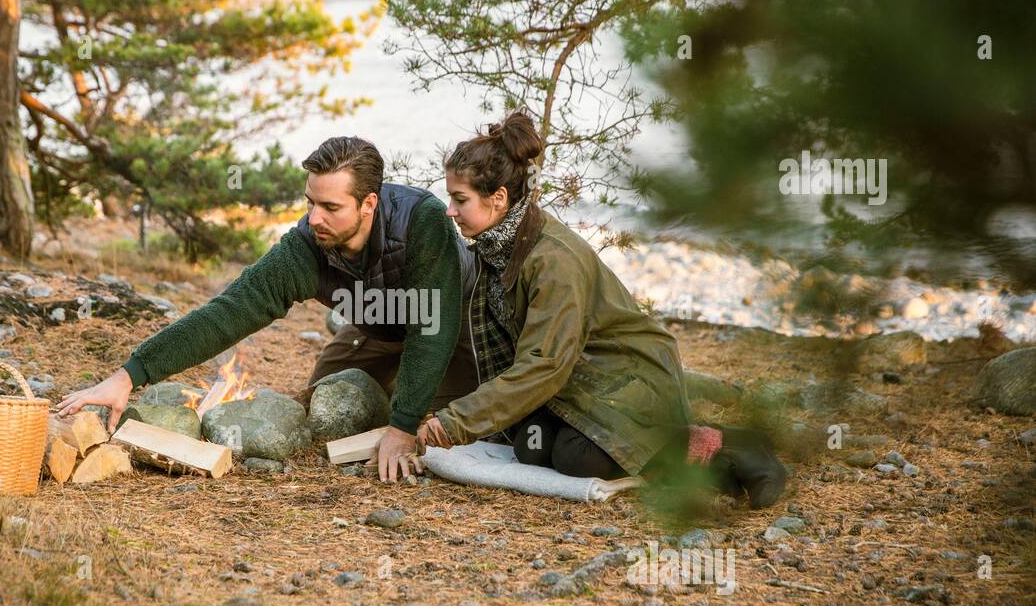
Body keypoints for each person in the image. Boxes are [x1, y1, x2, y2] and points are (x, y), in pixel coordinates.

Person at [416, 112, 787, 508]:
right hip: (578, 382)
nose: (450, 211)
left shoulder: (552, 261)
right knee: (531, 448)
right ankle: (694, 458)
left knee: (578, 458)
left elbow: (545, 364)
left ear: (499, 199)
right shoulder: (498, 244)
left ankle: (729, 444)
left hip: (628, 377)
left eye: (460, 200)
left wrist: (454, 423)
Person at [57, 135, 477, 481]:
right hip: (378, 325)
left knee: (448, 427)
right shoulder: (308, 244)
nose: (314, 218)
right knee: (323, 411)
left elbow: (432, 326)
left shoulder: (424, 222)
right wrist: (130, 374)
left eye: (331, 207)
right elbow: (231, 310)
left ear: (368, 204)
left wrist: (403, 427)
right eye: (311, 202)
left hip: (452, 327)